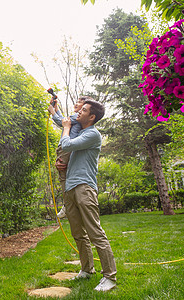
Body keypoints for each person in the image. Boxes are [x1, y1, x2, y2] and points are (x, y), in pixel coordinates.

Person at [60, 99, 117, 292]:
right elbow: (74, 154)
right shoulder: (82, 132)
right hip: (70, 187)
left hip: (84, 187)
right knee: (78, 233)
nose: (79, 112)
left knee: (95, 233)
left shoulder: (93, 134)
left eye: (83, 110)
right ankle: (87, 269)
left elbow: (66, 145)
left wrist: (66, 127)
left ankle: (110, 277)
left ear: (91, 117)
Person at [47, 96, 88, 218]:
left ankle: (67, 204)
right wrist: (56, 108)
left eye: (80, 103)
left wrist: (52, 112)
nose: (77, 104)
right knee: (63, 174)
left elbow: (61, 122)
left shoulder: (77, 117)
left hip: (66, 147)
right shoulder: (75, 118)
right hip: (64, 148)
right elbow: (64, 121)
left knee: (63, 175)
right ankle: (68, 204)